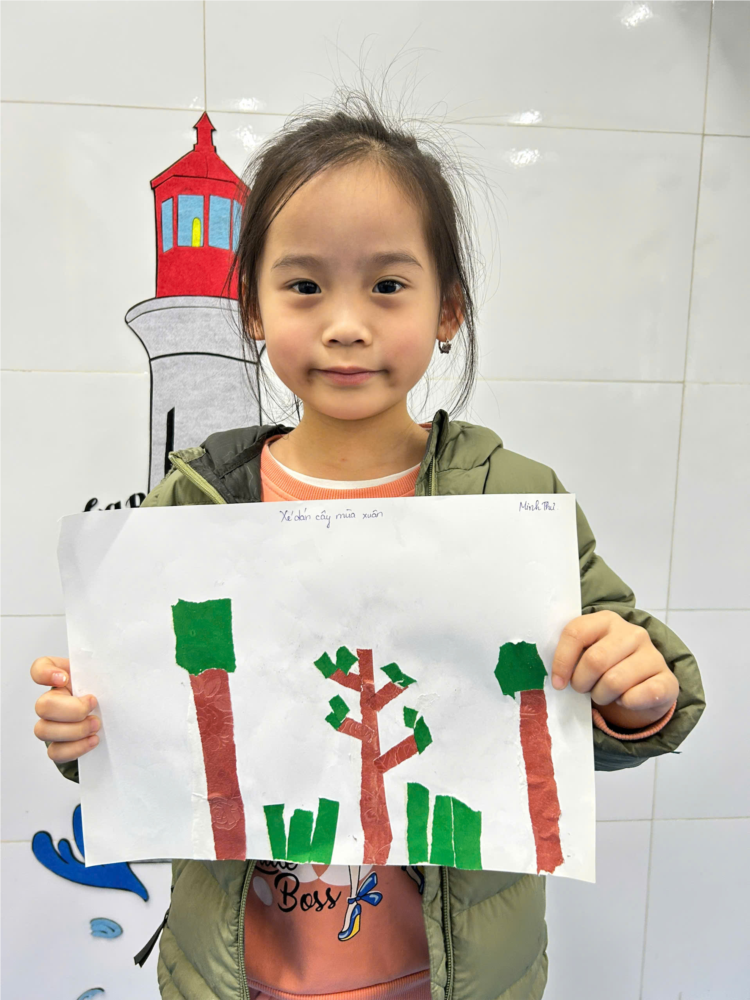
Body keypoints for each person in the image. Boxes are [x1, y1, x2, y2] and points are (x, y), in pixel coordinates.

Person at [31, 86, 705, 1000]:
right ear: (252, 308)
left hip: (451, 978)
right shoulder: (193, 503)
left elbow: (618, 700)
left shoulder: (508, 499)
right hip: (236, 976)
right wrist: (82, 734)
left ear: (448, 310)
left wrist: (635, 694)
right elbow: (135, 736)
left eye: (388, 285)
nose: (346, 323)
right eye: (304, 285)